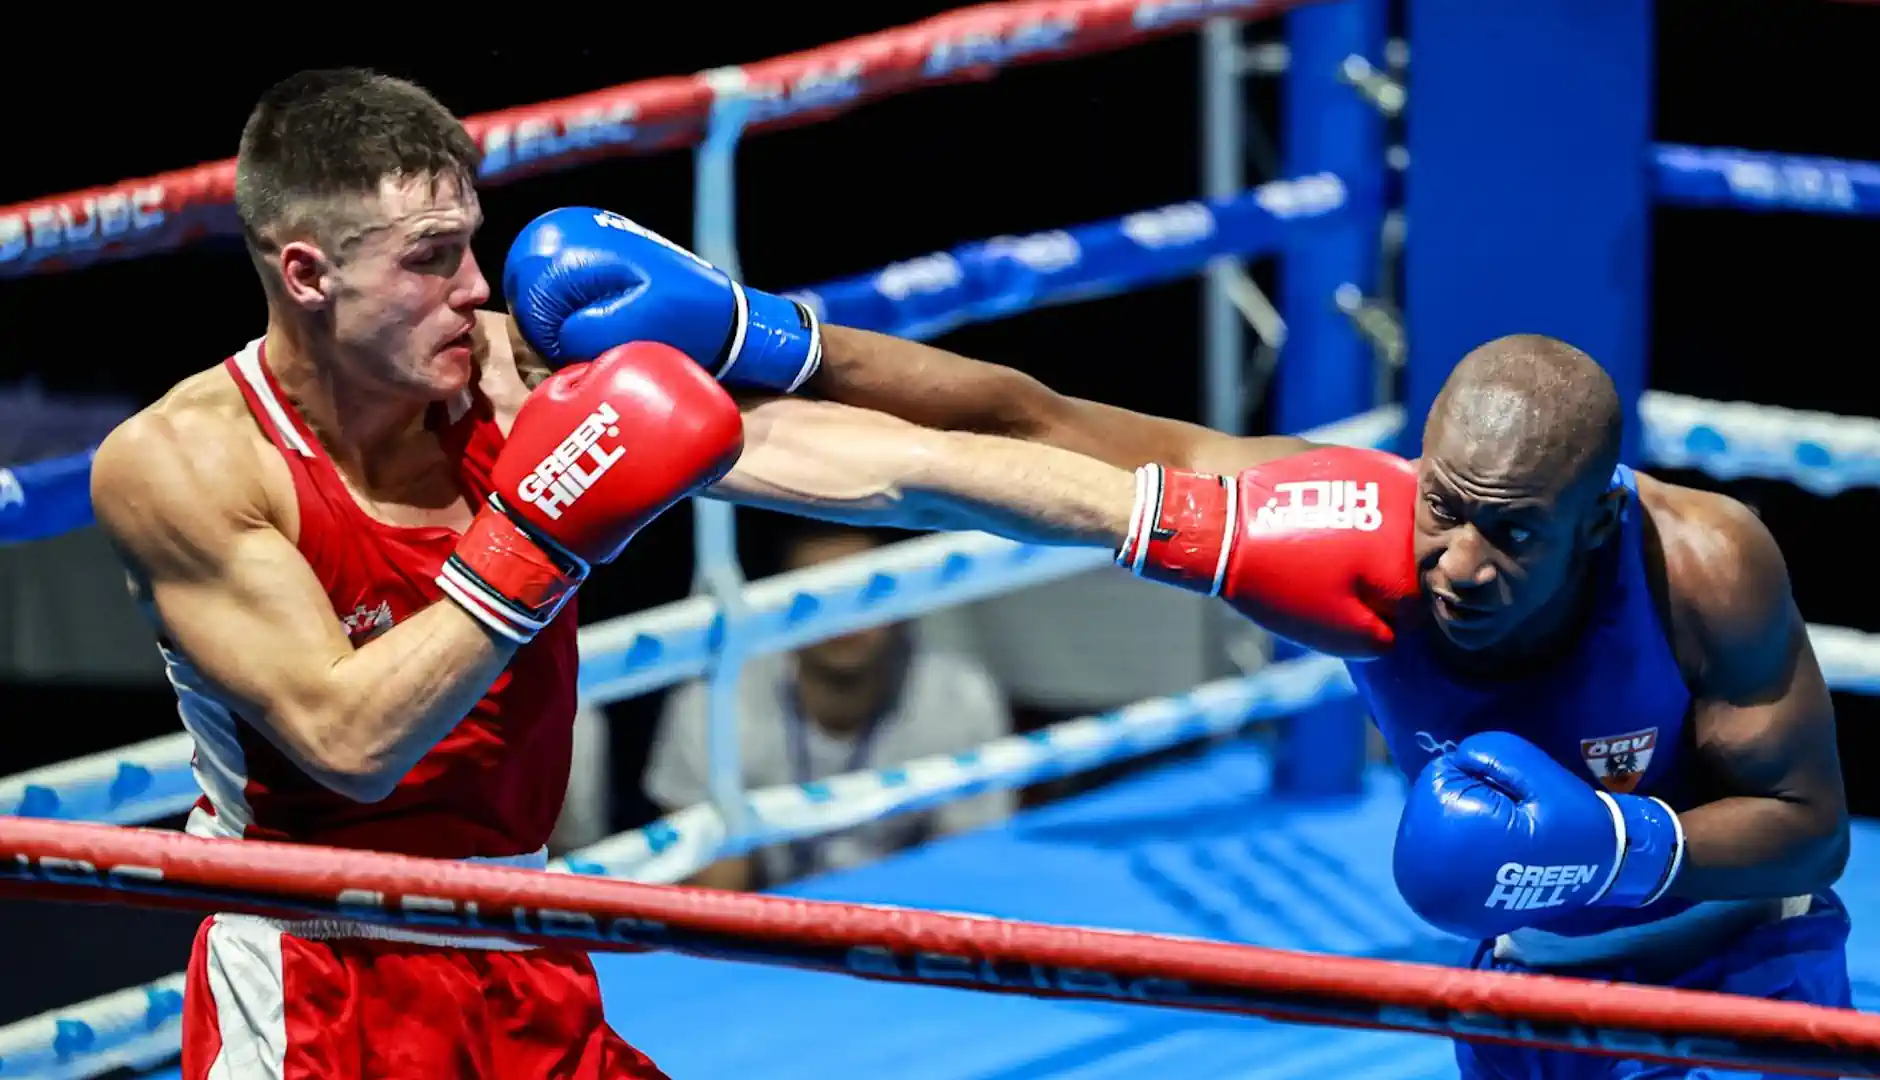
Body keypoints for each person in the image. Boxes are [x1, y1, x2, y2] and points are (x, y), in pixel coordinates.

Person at [511, 210, 1853, 1080]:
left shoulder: (1704, 568)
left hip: (1744, 955)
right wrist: (767, 341)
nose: (1458, 563)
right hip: (1536, 993)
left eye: (1510, 533)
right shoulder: (1352, 541)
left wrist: (1620, 843)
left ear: (1597, 519)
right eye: (1445, 508)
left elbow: (1809, 824)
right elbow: (1045, 431)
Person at [88, 70, 1140, 1080]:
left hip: (520, 944)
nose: (477, 287)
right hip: (318, 972)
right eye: (430, 257)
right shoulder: (184, 463)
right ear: (308, 274)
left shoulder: (514, 379)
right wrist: (537, 532)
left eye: (473, 245)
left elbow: (899, 466)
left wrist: (1164, 517)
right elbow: (346, 741)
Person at [645, 522, 1016, 890]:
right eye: (816, 597)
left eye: (866, 591)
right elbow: (714, 898)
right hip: (770, 935)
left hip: (909, 927)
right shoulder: (714, 708)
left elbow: (967, 878)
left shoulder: (960, 697)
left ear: (903, 600)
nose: (842, 616)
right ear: (776, 607)